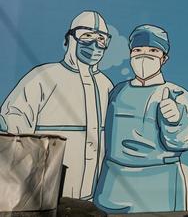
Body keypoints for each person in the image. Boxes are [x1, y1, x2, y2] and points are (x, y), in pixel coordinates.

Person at [0, 11, 113, 199]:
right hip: (43, 193)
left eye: (101, 39)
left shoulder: (105, 84)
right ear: (68, 40)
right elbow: (12, 123)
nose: (94, 45)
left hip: (91, 195)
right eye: (86, 36)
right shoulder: (42, 77)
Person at [94, 24, 188, 213]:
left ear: (164, 58)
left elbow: (187, 138)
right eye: (138, 50)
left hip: (159, 183)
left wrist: (176, 121)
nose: (144, 56)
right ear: (130, 54)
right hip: (113, 184)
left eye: (153, 50)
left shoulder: (176, 94)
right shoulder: (117, 92)